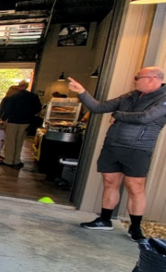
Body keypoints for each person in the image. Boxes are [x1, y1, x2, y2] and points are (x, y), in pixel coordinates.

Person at [69, 68, 166, 241]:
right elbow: (98, 107)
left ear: (151, 79)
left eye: (137, 77)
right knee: (109, 182)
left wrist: (118, 115)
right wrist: (82, 92)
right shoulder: (130, 95)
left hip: (138, 149)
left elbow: (145, 117)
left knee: (134, 186)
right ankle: (105, 220)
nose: (134, 80)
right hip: (113, 145)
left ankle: (135, 228)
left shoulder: (163, 98)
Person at [0, 80, 41, 169]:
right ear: (27, 86)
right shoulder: (33, 97)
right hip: (26, 122)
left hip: (13, 121)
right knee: (19, 142)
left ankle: (8, 161)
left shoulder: (13, 97)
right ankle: (17, 160)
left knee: (10, 142)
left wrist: (3, 119)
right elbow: (38, 109)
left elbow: (8, 109)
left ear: (19, 86)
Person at [0, 85, 21, 162]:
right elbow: (4, 111)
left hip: (3, 120)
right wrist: (4, 119)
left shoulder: (6, 99)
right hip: (5, 121)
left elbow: (1, 110)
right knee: (1, 138)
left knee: (2, 138)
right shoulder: (9, 100)